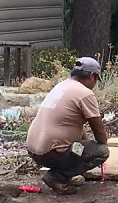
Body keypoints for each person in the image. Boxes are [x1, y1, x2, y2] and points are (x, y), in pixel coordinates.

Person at [25, 57, 111, 193]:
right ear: (91, 75)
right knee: (102, 152)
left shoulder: (61, 86)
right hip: (50, 153)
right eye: (96, 79)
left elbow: (75, 123)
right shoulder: (85, 93)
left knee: (82, 148)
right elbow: (98, 130)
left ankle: (66, 175)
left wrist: (87, 147)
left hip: (33, 150)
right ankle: (58, 177)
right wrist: (100, 148)